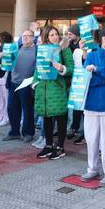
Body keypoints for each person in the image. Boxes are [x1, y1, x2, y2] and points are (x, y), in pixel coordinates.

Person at [81, 26, 105, 186]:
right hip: (90, 103)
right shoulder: (91, 55)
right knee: (91, 139)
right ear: (104, 39)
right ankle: (92, 169)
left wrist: (98, 71)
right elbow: (86, 78)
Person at [34, 26, 74, 160]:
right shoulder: (42, 50)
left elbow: (71, 69)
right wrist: (35, 83)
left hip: (57, 88)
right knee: (46, 118)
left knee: (60, 118)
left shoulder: (64, 49)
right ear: (46, 37)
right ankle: (49, 145)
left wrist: (61, 68)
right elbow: (37, 69)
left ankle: (60, 147)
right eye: (51, 35)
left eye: (56, 34)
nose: (55, 37)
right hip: (44, 89)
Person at [5, 30, 37, 143]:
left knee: (27, 109)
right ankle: (14, 132)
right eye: (23, 36)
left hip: (27, 83)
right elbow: (8, 63)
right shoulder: (16, 48)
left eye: (28, 36)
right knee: (11, 108)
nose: (25, 38)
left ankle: (28, 133)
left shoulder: (37, 50)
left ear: (33, 37)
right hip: (13, 82)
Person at [66, 24, 85, 143]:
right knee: (75, 106)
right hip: (74, 80)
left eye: (70, 34)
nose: (68, 36)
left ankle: (80, 131)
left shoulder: (83, 44)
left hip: (82, 79)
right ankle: (74, 127)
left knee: (81, 108)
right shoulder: (69, 45)